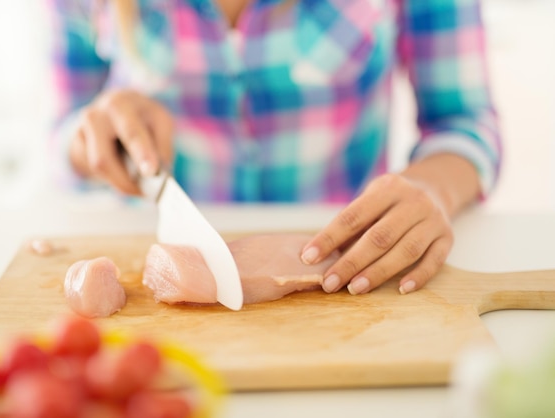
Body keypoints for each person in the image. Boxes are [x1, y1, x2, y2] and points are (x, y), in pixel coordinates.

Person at [47, 0, 502, 297]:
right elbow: (63, 131)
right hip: (142, 238)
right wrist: (92, 137)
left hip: (350, 261)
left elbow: (464, 121)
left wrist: (433, 188)